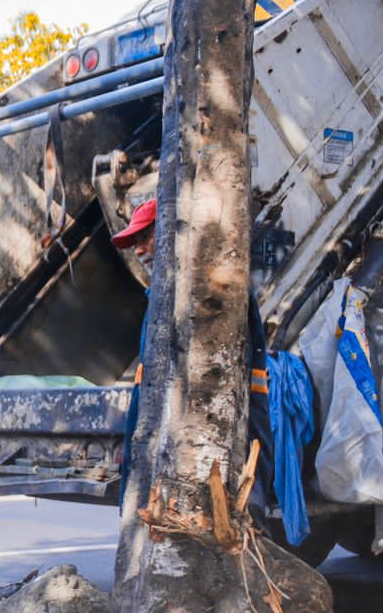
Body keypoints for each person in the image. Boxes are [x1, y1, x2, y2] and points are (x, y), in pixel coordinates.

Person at [113, 198, 281, 532]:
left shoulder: (211, 293)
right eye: (134, 244)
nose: (139, 250)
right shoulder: (161, 297)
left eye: (145, 238)